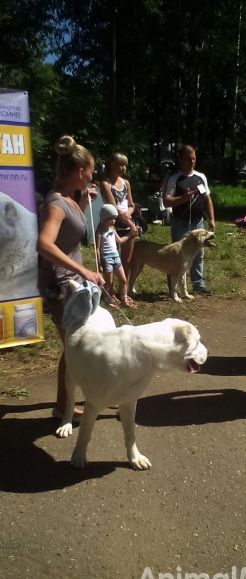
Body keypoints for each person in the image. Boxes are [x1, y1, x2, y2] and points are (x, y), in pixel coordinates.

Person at [37, 135, 104, 419]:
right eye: (91, 170)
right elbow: (44, 243)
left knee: (77, 344)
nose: (93, 175)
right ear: (80, 171)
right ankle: (62, 406)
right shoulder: (56, 203)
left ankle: (83, 397)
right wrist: (83, 270)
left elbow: (73, 234)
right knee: (74, 346)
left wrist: (86, 205)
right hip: (61, 285)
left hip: (73, 284)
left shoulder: (71, 199)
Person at [163, 145, 215, 295]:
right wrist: (184, 198)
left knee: (199, 253)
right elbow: (166, 201)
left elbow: (207, 199)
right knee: (176, 254)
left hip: (198, 221)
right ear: (180, 159)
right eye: (188, 159)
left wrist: (211, 218)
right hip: (180, 221)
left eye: (194, 158)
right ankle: (173, 287)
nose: (192, 161)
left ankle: (198, 284)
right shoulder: (174, 178)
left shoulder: (200, 177)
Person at [100, 153, 138, 281]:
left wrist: (128, 214)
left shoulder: (126, 183)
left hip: (127, 223)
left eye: (125, 165)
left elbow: (131, 205)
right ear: (112, 165)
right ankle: (110, 291)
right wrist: (130, 224)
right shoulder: (106, 184)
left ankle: (124, 291)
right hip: (112, 224)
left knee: (127, 260)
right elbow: (114, 207)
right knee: (110, 259)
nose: (123, 168)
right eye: (121, 165)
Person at [95, 204, 138, 309]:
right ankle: (107, 299)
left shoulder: (112, 229)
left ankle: (124, 299)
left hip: (116, 256)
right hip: (106, 258)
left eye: (114, 219)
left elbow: (119, 241)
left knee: (123, 279)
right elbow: (97, 249)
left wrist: (130, 234)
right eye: (110, 219)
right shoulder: (99, 231)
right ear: (103, 218)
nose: (113, 221)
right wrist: (99, 263)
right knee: (108, 282)